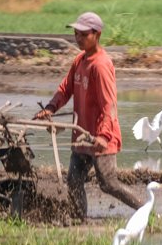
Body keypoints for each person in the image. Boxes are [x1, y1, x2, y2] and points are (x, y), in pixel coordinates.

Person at [34, 11, 144, 219]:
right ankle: (78, 220)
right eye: (76, 34)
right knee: (74, 181)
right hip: (82, 135)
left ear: (97, 34)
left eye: (84, 35)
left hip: (100, 137)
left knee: (108, 183)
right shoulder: (80, 60)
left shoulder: (101, 65)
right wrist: (50, 108)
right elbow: (66, 88)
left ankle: (146, 211)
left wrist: (103, 136)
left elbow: (108, 105)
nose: (79, 39)